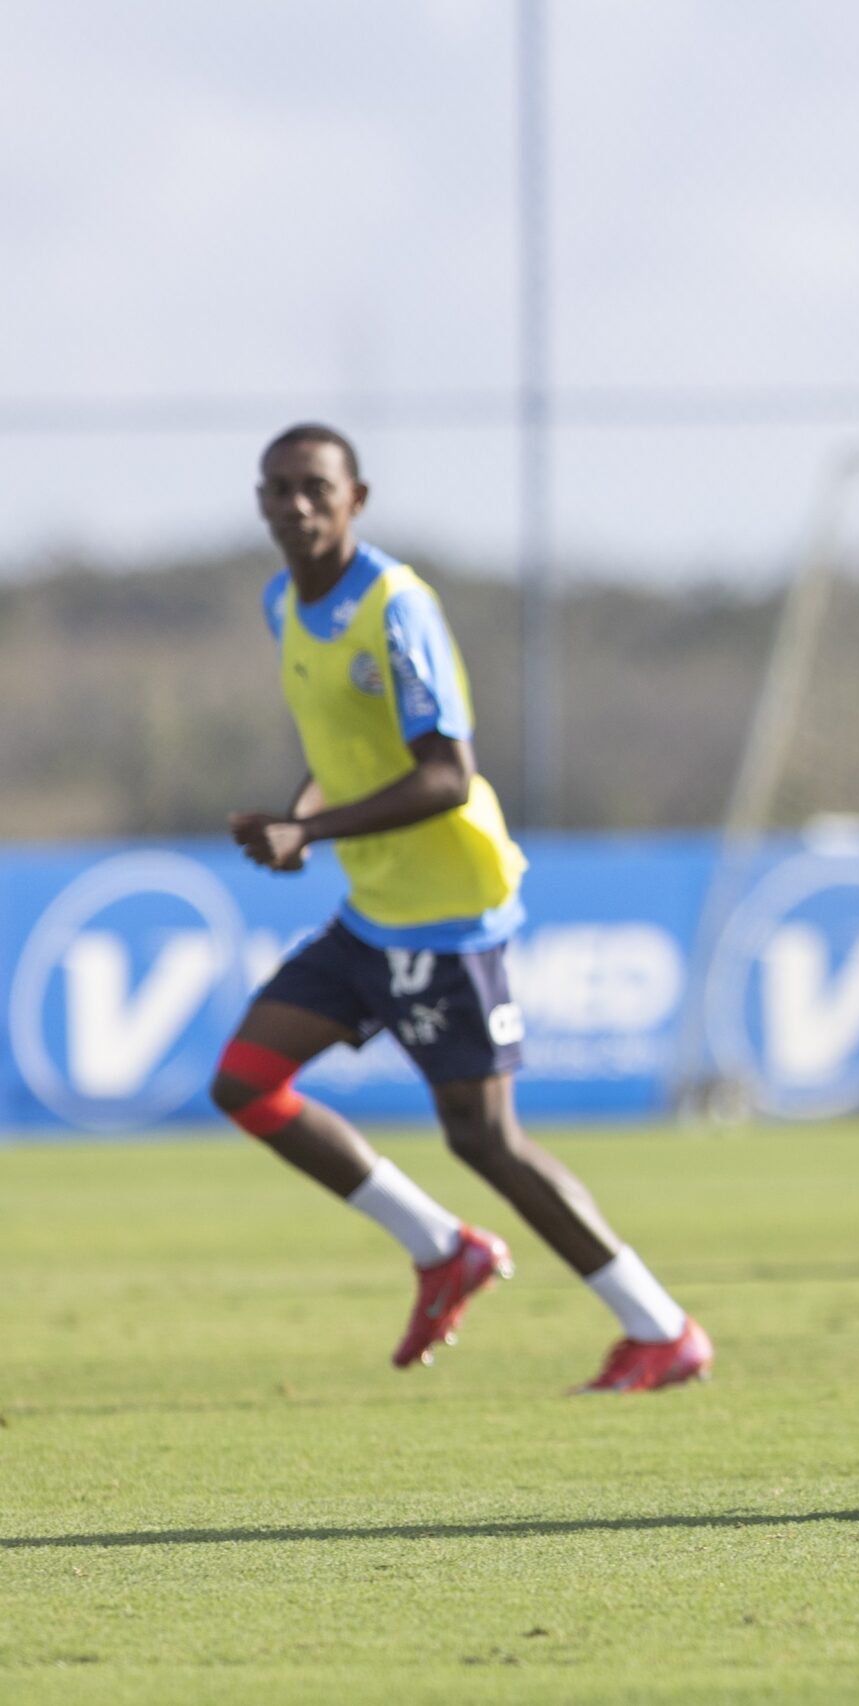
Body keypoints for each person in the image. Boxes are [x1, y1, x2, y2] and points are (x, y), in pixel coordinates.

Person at [211, 423, 713, 1393]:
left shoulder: (397, 606)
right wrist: (301, 814)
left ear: (358, 497)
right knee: (246, 1078)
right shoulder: (285, 604)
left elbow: (445, 774)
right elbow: (349, 749)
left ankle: (661, 1328)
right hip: (373, 911)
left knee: (484, 1137)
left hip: (445, 915)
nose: (297, 507)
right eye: (278, 490)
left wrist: (308, 836)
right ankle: (444, 1246)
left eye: (316, 488)